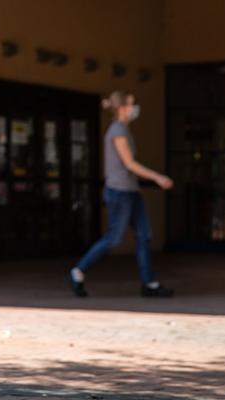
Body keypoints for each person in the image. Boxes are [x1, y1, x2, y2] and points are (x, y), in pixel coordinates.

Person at [68, 91, 174, 298]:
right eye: (131, 104)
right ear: (122, 108)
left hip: (131, 191)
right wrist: (157, 177)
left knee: (144, 235)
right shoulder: (117, 130)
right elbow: (129, 163)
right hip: (119, 192)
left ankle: (149, 284)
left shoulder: (124, 129)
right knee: (113, 238)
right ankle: (78, 271)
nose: (135, 109)